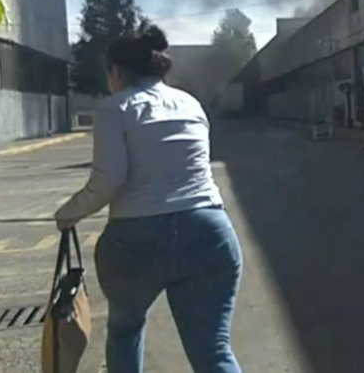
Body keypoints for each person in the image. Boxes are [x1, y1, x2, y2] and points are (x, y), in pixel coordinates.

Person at [55, 25, 242, 373]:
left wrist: (69, 213)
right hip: (208, 232)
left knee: (126, 331)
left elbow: (108, 180)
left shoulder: (114, 109)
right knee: (213, 349)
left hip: (136, 240)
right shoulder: (190, 104)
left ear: (116, 71)